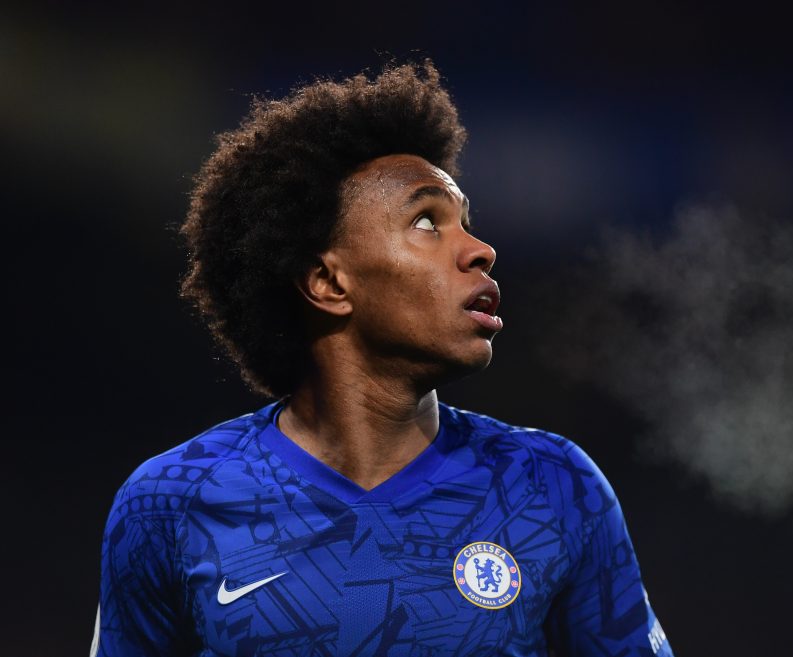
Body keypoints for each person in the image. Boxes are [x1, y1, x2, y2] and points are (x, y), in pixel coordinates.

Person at [93, 61, 673, 657]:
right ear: (328, 282)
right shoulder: (170, 503)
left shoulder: (553, 486)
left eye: (466, 224)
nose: (480, 250)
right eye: (427, 222)